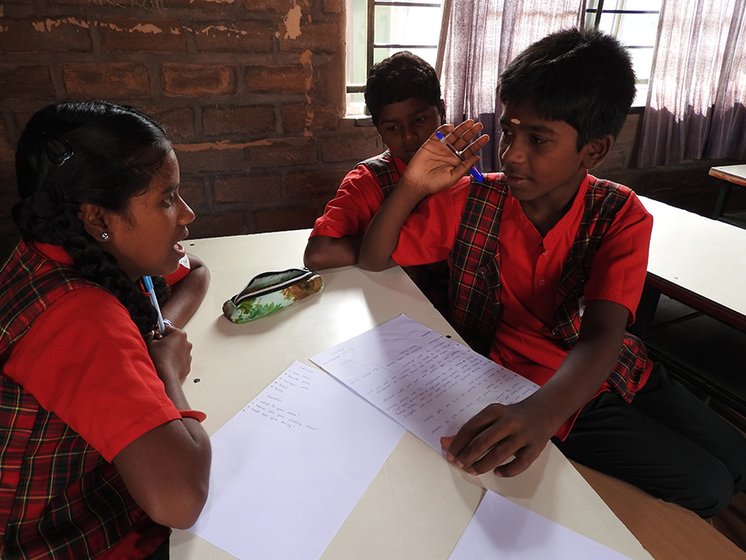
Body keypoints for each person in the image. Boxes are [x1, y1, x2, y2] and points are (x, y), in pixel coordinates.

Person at [358, 28, 746, 518]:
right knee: (709, 486)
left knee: (736, 460)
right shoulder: (473, 199)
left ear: (595, 149)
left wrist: (541, 414)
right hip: (527, 384)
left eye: (538, 139)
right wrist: (412, 186)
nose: (513, 153)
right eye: (509, 131)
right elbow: (374, 258)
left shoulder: (618, 212)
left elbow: (604, 333)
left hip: (603, 370)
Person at [0, 100, 212, 558]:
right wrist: (166, 370)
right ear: (98, 219)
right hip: (63, 540)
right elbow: (180, 501)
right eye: (166, 199)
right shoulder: (81, 317)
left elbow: (194, 269)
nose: (187, 214)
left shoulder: (56, 252)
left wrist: (165, 324)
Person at [303, 51, 451, 313]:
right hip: (396, 312)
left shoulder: (466, 171)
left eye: (419, 120)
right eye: (393, 128)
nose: (408, 136)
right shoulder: (368, 181)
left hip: (461, 317)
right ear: (378, 129)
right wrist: (401, 240)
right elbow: (318, 255)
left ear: (441, 110)